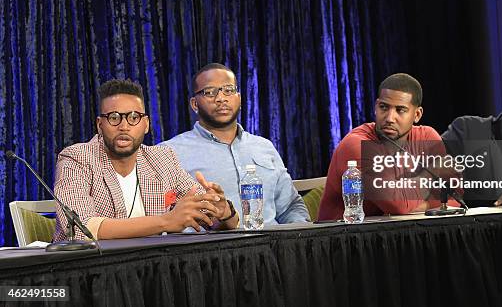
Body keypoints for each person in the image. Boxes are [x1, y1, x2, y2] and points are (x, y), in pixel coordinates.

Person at [53, 79, 238, 242]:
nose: (124, 126)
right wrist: (166, 221)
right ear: (100, 125)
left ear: (146, 124)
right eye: (114, 118)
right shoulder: (76, 159)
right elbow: (81, 228)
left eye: (134, 117)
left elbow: (209, 219)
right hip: (92, 271)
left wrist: (223, 212)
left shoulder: (163, 159)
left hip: (149, 269)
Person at [162, 63, 309, 225]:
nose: (221, 98)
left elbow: (290, 207)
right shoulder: (170, 152)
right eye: (209, 92)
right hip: (212, 247)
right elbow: (166, 217)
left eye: (228, 90)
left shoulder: (264, 147)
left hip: (273, 246)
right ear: (194, 104)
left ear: (238, 97)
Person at [318, 73, 459, 221]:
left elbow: (454, 197)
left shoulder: (427, 137)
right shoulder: (357, 144)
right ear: (376, 107)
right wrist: (432, 176)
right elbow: (397, 204)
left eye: (400, 110)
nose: (390, 118)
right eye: (384, 107)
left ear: (417, 114)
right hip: (345, 236)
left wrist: (417, 206)